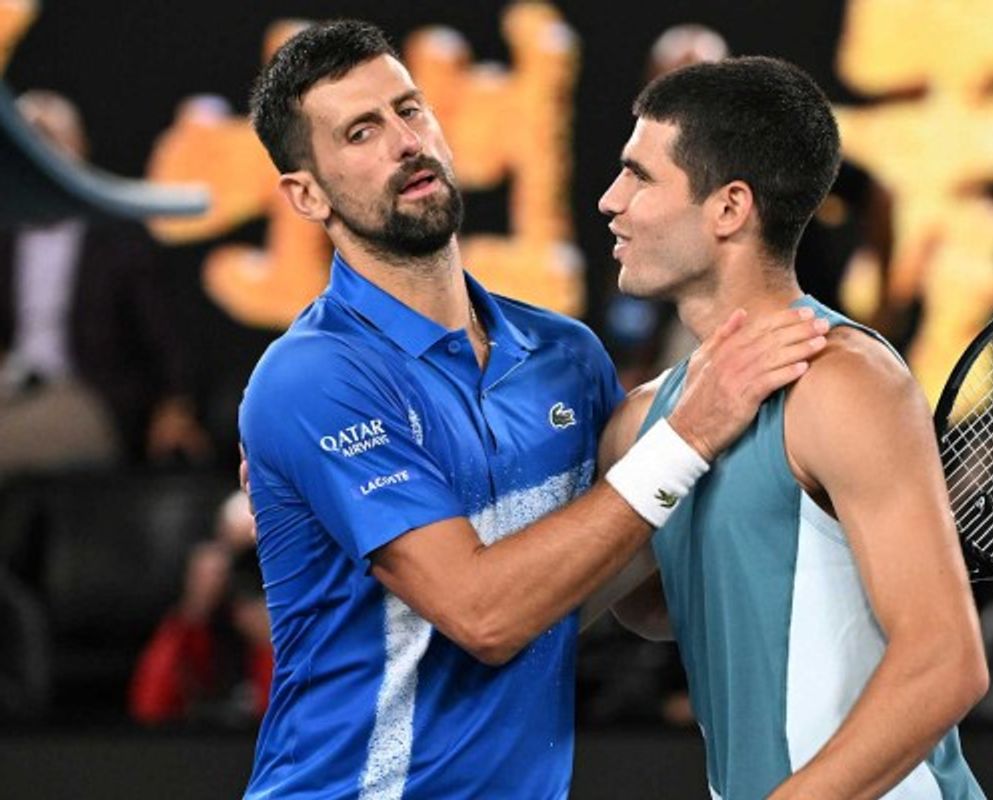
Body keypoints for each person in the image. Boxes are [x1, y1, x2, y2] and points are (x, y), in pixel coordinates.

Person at [237, 21, 828, 798]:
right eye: (361, 132)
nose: (405, 143)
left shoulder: (567, 357)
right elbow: (485, 617)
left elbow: (627, 589)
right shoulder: (311, 378)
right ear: (306, 193)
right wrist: (688, 431)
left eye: (411, 110)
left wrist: (818, 533)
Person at [597, 57, 988, 799]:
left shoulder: (844, 382)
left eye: (640, 177)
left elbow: (946, 661)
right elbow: (659, 610)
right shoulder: (644, 421)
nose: (611, 201)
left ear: (730, 208)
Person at [0, 90, 210, 474]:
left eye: (50, 138)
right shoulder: (8, 237)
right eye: (29, 140)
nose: (41, 152)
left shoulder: (120, 241)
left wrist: (176, 407)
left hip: (90, 396)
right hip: (14, 386)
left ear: (79, 148)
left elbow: (167, 336)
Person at [128, 491, 271, 726]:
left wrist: (270, 643)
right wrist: (193, 612)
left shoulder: (311, 611)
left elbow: (291, 728)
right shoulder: (197, 630)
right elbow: (148, 709)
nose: (252, 571)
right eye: (241, 557)